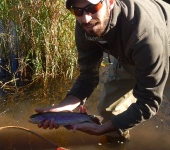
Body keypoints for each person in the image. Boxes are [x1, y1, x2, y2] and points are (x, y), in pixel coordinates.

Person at [35, 0, 170, 142]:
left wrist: (102, 129)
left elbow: (148, 102)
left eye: (93, 8)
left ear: (110, 2)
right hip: (130, 54)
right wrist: (64, 107)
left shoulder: (144, 35)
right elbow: (88, 76)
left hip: (161, 45)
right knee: (110, 112)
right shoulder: (85, 24)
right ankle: (117, 143)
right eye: (77, 11)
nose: (86, 18)